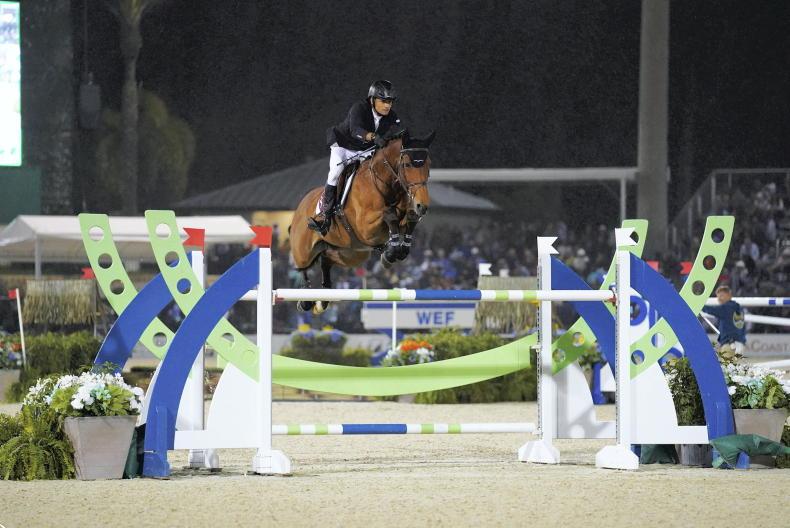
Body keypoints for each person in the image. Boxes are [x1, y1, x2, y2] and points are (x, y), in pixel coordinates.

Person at [308, 80, 402, 235]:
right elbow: (355, 130)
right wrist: (374, 137)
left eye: (390, 102)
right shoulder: (359, 108)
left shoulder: (392, 117)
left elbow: (395, 133)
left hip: (365, 150)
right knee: (335, 173)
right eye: (384, 101)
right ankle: (324, 215)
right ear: (372, 99)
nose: (387, 106)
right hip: (343, 145)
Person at [701, 285, 746, 358]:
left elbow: (712, 310)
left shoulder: (727, 308)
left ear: (729, 295)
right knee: (736, 364)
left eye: (721, 296)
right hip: (739, 344)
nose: (719, 299)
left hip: (729, 344)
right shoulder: (738, 308)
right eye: (718, 297)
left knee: (726, 364)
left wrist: (699, 305)